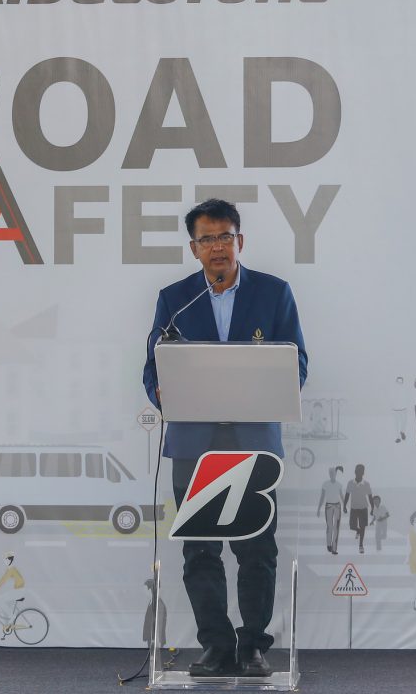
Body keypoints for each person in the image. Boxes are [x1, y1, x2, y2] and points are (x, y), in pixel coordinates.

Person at [143, 198, 307, 678]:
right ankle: (215, 645)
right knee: (200, 551)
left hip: (253, 443)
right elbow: (153, 368)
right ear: (193, 248)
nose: (218, 247)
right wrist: (162, 394)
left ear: (241, 241)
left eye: (225, 236)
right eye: (207, 239)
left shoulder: (273, 293)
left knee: (256, 549)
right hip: (195, 445)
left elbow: (297, 363)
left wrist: (271, 385)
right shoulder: (176, 299)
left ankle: (253, 646)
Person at [342, 464, 374, 554]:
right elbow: (347, 495)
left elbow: (370, 497)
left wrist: (372, 508)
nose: (359, 473)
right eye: (357, 471)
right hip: (354, 508)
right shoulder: (350, 483)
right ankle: (358, 530)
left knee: (363, 526)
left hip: (363, 508)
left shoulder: (366, 484)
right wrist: (344, 506)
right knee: (352, 526)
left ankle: (361, 545)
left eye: (361, 471)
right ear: (355, 472)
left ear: (363, 473)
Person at [0, 551, 25, 626]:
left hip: (18, 591)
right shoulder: (11, 569)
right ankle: (8, 623)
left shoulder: (11, 569)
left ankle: (12, 616)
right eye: (4, 560)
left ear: (10, 560)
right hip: (18, 590)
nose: (5, 562)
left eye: (6, 559)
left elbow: (3, 580)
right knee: (4, 602)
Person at [316, 466, 344, 555]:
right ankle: (329, 544)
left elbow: (341, 496)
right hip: (328, 506)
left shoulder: (339, 485)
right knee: (330, 526)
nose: (332, 474)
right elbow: (322, 497)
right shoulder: (325, 484)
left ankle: (334, 548)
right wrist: (319, 508)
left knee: (336, 527)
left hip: (337, 506)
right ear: (329, 474)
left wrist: (345, 506)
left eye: (333, 473)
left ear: (336, 474)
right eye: (330, 473)